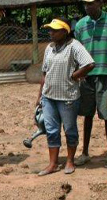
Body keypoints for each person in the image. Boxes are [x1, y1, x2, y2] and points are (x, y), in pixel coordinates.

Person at [35, 17, 95, 176]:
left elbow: (89, 64)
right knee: (52, 130)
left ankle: (69, 161)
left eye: (54, 30)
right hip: (49, 97)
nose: (51, 33)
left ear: (64, 31)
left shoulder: (74, 46)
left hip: (68, 97)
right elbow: (44, 73)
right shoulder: (49, 47)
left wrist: (75, 76)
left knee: (69, 130)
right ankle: (53, 164)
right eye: (50, 30)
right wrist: (40, 96)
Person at [74, 0, 107, 167]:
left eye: (91, 3)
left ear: (100, 3)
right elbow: (77, 51)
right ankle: (85, 152)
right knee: (87, 115)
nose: (87, 7)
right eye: (85, 4)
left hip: (105, 75)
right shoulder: (80, 25)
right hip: (87, 77)